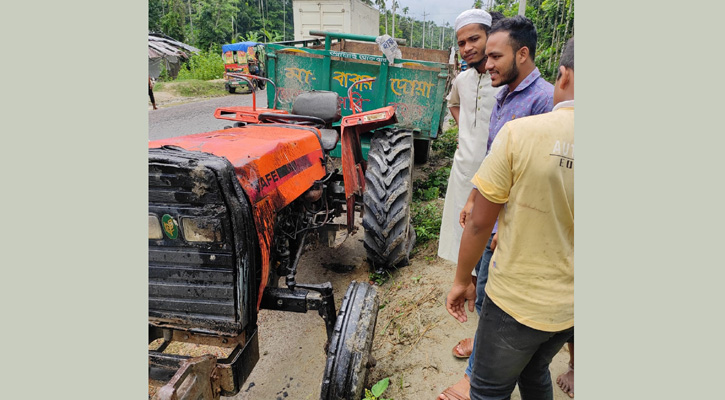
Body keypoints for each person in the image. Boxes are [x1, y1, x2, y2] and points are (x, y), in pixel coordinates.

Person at [446, 36, 574, 400]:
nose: (487, 64)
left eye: (493, 55)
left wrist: (460, 280)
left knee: (488, 391)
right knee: (535, 372)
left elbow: (480, 223)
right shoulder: (504, 97)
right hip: (571, 305)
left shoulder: (526, 129)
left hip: (519, 300)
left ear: (562, 76)